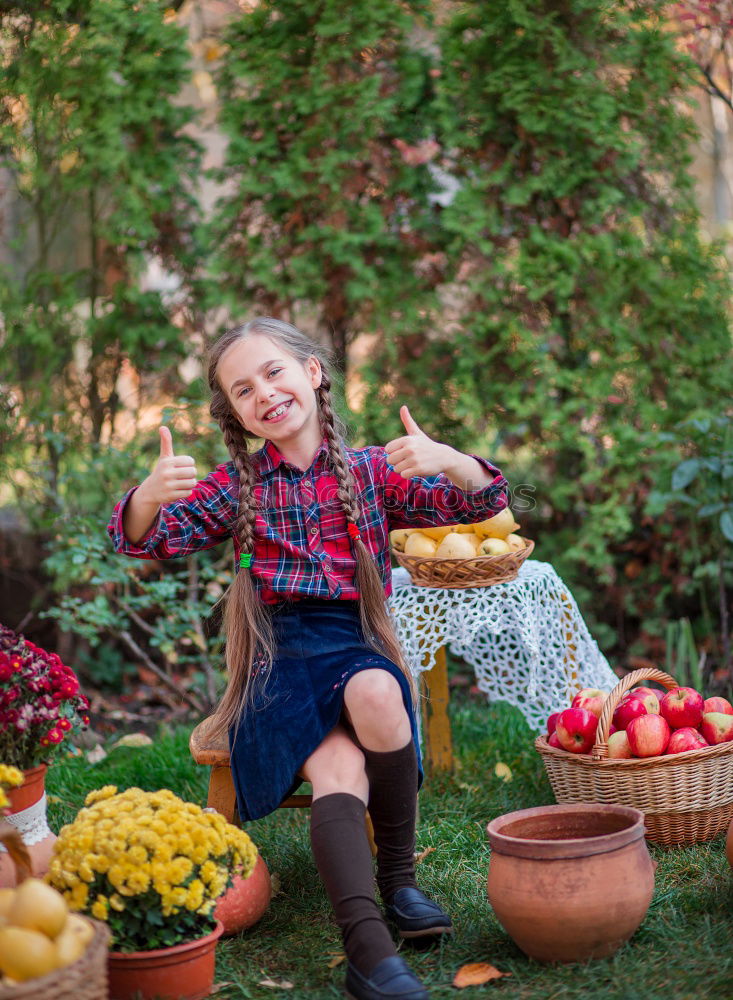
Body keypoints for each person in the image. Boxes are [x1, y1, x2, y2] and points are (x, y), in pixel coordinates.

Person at [108, 317, 510, 1000]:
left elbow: (484, 499)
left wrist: (448, 460)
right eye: (243, 389)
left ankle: (397, 886)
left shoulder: (374, 470)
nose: (263, 393)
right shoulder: (238, 486)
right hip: (279, 660)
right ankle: (370, 949)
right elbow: (143, 541)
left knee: (378, 693)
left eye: (273, 372)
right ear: (234, 413)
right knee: (336, 765)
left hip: (356, 643)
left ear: (313, 373)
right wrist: (146, 496)